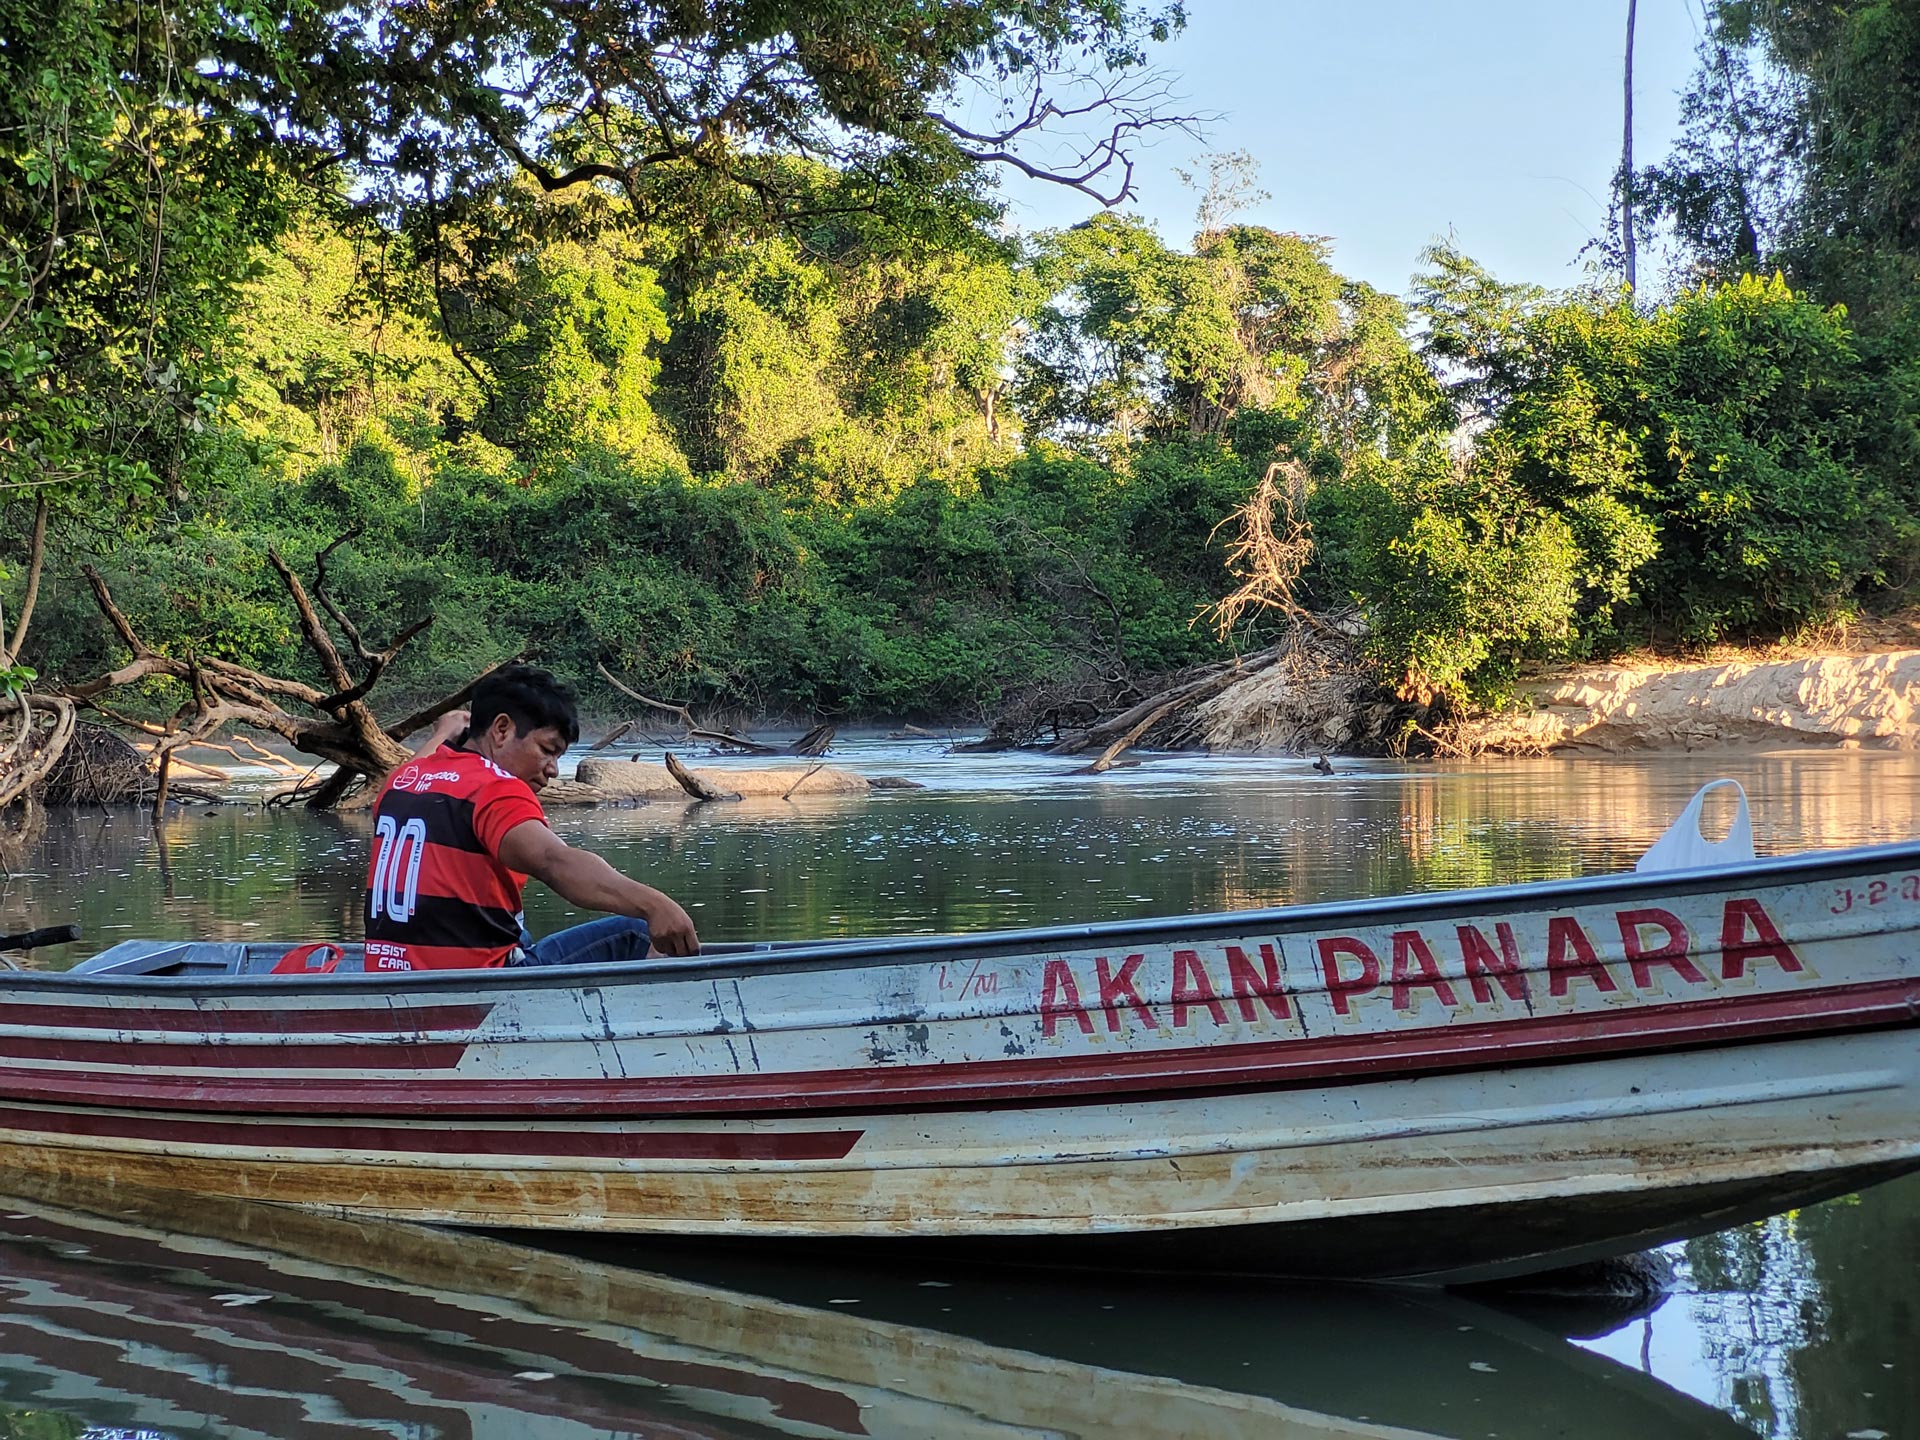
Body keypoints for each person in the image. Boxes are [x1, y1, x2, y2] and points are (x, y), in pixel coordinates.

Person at [363, 665, 699, 971]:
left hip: (389, 973)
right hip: (478, 981)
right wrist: (655, 905)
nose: (553, 769)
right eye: (547, 750)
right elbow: (555, 862)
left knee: (518, 931)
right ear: (502, 729)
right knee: (637, 932)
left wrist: (443, 732)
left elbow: (419, 764)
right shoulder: (495, 789)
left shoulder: (401, 782)